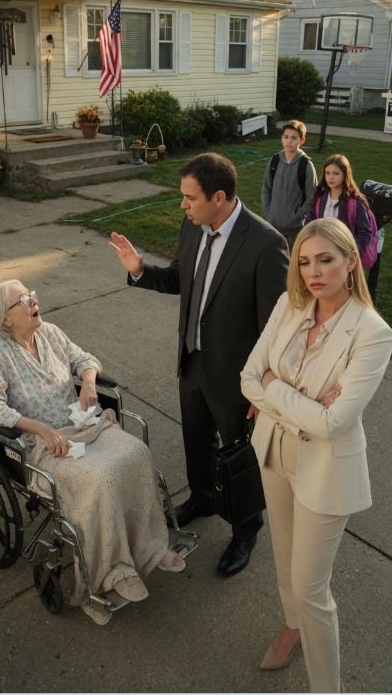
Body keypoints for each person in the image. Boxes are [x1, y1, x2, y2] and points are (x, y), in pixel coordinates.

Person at [109, 152, 289, 577]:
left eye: (190, 197)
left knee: (240, 458)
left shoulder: (265, 244)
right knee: (196, 441)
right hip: (191, 361)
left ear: (219, 197)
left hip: (238, 377)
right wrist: (140, 270)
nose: (183, 205)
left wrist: (265, 388)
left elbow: (278, 326)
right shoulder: (193, 226)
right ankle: (203, 498)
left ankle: (245, 532)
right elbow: (178, 278)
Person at [0, 280, 185, 626]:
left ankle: (150, 547)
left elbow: (84, 359)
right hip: (47, 448)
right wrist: (40, 429)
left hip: (85, 426)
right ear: (6, 319)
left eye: (31, 294)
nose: (33, 300)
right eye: (23, 299)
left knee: (137, 453)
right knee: (103, 476)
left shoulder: (50, 333)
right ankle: (113, 573)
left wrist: (87, 382)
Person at [240, 219, 392, 693]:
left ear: (350, 262)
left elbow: (333, 424)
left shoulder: (372, 333)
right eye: (305, 261)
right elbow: (247, 377)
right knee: (284, 557)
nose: (313, 272)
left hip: (326, 469)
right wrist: (300, 401)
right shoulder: (289, 304)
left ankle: (327, 687)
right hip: (273, 451)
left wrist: (273, 386)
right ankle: (292, 628)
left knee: (312, 589)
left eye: (326, 260)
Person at [262, 119, 318, 252]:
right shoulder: (274, 161)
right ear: (281, 138)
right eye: (286, 137)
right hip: (272, 226)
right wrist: (268, 212)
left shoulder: (306, 166)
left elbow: (311, 197)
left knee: (291, 263)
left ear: (302, 140)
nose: (289, 141)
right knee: (272, 260)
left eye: (294, 138)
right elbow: (266, 188)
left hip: (294, 231)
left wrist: (297, 217)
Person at [305, 153, 372, 259]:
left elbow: (364, 232)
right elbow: (309, 225)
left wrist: (351, 256)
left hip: (343, 256)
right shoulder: (319, 197)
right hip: (320, 253)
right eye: (327, 173)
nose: (331, 177)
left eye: (336, 173)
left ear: (345, 174)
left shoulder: (355, 201)